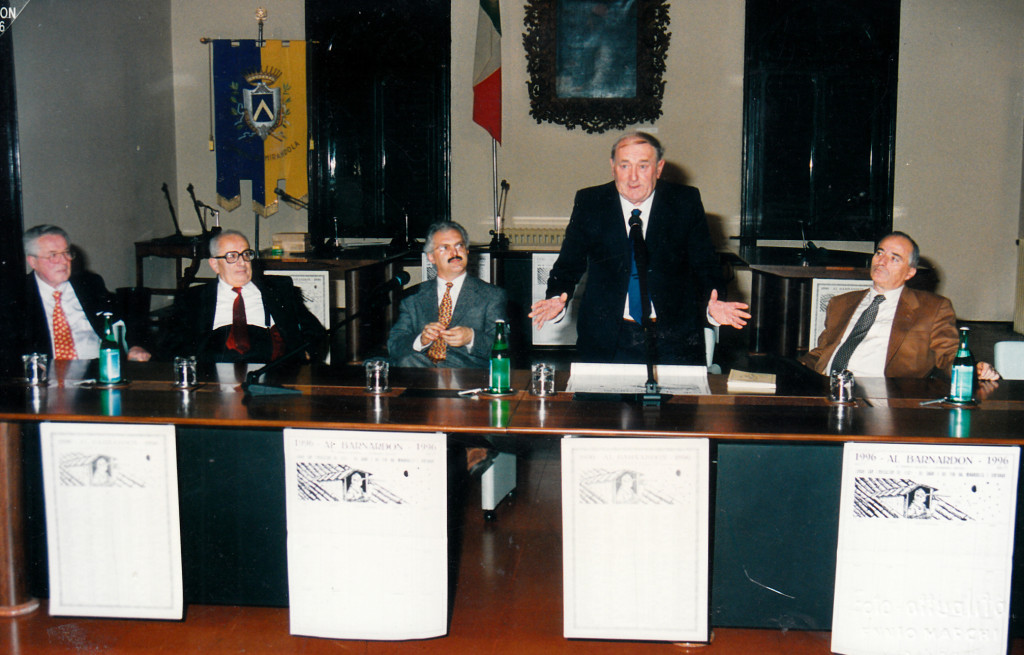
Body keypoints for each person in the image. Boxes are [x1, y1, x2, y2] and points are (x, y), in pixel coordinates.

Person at [529, 131, 750, 364]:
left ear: (659, 168)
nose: (633, 178)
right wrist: (555, 297)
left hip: (672, 339)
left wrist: (714, 304)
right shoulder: (591, 202)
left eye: (643, 166)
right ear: (613, 166)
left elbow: (706, 265)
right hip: (606, 340)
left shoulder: (685, 201)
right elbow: (567, 265)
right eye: (625, 166)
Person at [801, 231, 999, 380]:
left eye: (894, 258)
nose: (882, 262)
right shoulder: (841, 303)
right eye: (880, 253)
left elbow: (948, 355)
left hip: (880, 396)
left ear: (910, 272)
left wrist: (974, 368)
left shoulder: (932, 308)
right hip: (826, 388)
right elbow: (822, 352)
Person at [162, 229, 326, 363]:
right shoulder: (193, 298)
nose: (242, 262)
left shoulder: (279, 290)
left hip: (271, 371)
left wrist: (306, 355)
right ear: (214, 264)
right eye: (231, 256)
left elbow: (315, 331)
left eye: (246, 254)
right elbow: (171, 343)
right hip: (213, 375)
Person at [20, 224, 150, 363]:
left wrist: (136, 346)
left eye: (66, 252)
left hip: (98, 371)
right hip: (47, 375)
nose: (64, 261)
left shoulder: (89, 284)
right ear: (33, 261)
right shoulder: (18, 296)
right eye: (53, 255)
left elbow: (128, 316)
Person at [387, 221, 508, 369]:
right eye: (445, 248)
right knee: (403, 362)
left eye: (459, 246)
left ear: (467, 250)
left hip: (467, 376)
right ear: (430, 257)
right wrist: (421, 340)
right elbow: (394, 344)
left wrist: (471, 337)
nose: (454, 253)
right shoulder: (413, 298)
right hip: (421, 375)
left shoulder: (491, 296)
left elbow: (505, 347)